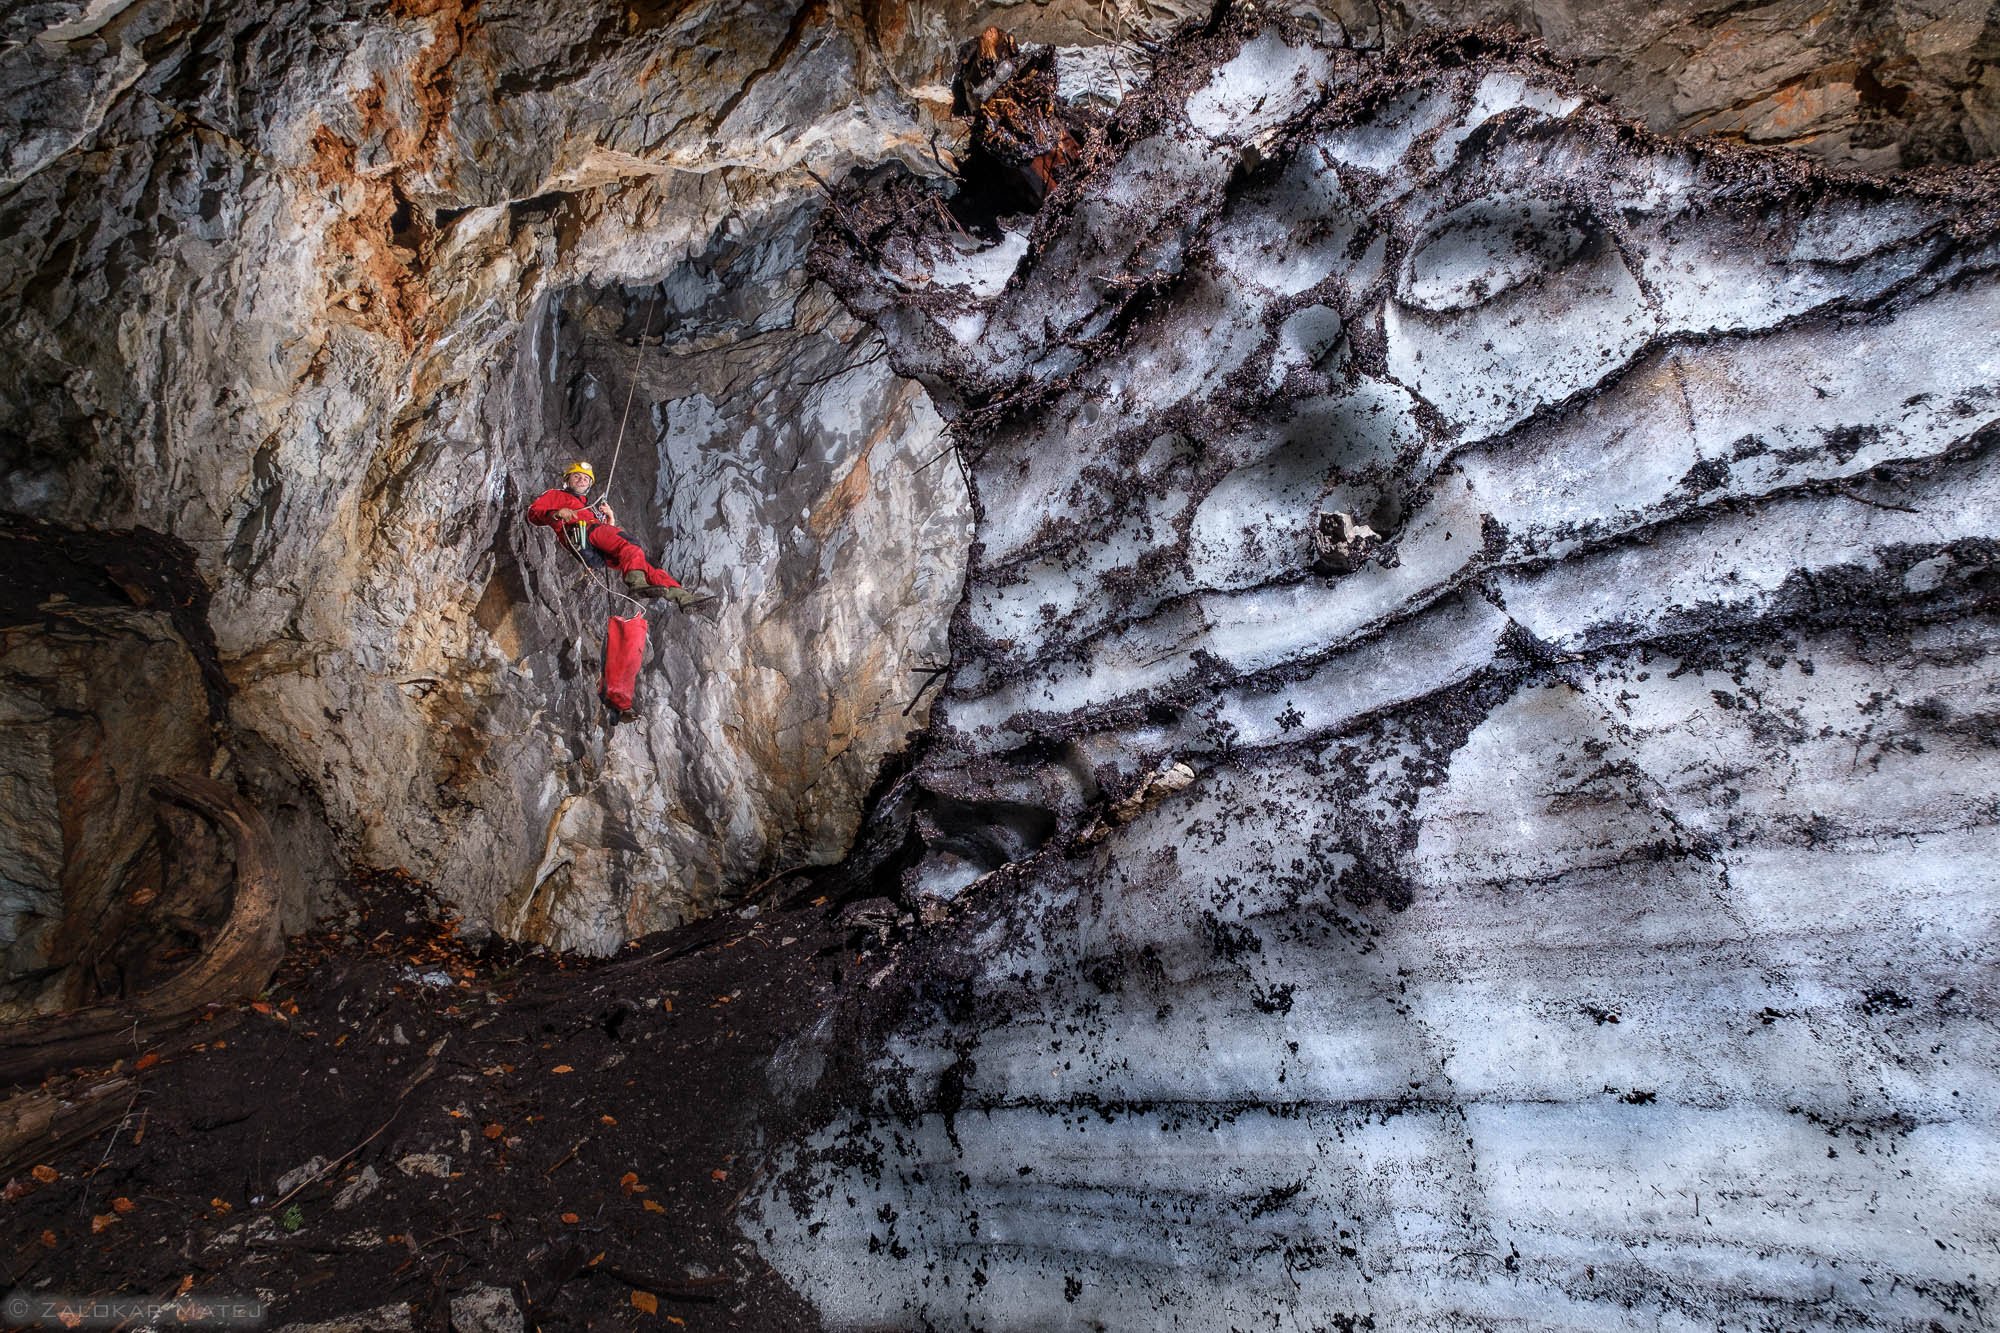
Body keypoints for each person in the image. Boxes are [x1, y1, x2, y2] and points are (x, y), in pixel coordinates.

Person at [527, 461, 699, 606]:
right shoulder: (555, 495)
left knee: (645, 561)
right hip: (582, 534)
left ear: (589, 484)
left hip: (595, 547)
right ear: (567, 479)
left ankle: (683, 597)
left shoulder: (591, 507)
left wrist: (610, 519)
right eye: (577, 476)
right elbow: (533, 514)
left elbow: (606, 534)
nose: (581, 480)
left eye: (585, 478)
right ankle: (636, 583)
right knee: (629, 543)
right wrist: (556, 514)